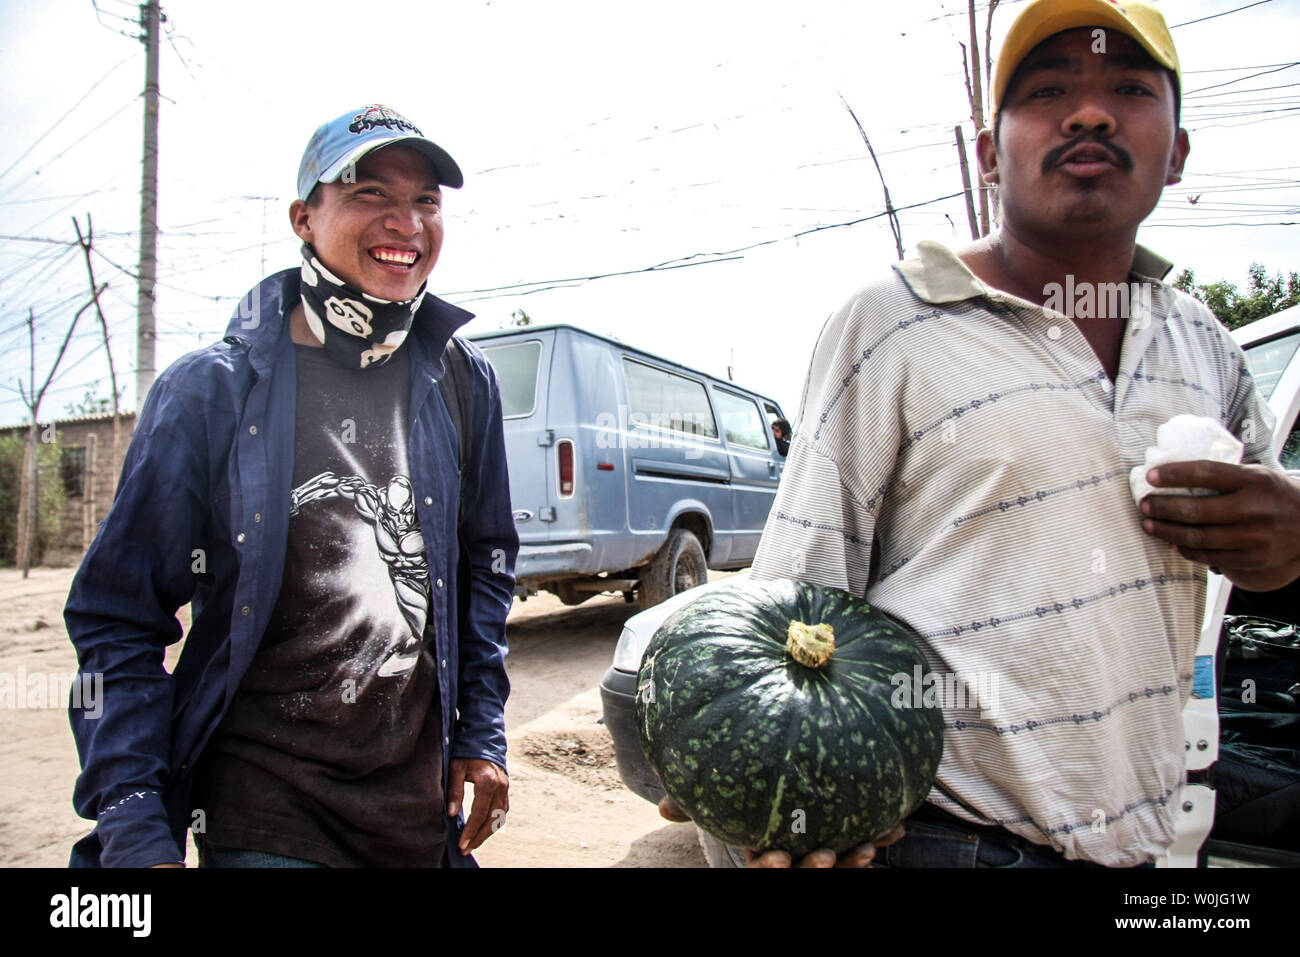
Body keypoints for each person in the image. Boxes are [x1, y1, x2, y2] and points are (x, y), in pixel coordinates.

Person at [672, 0, 1300, 867]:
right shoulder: (891, 323)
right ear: (987, 154)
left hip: (1152, 839)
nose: (1089, 112)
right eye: (1047, 92)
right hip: (944, 836)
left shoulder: (1209, 347)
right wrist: (769, 822)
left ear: (1180, 149)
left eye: (1128, 87)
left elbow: (1268, 558)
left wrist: (1286, 537)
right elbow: (795, 603)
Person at [65, 104, 519, 868]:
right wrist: (132, 812)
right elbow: (117, 618)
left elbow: (486, 565)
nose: (405, 221)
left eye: (426, 201)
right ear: (304, 218)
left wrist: (481, 729)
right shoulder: (211, 393)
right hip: (263, 810)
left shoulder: (460, 379)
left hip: (416, 813)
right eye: (370, 192)